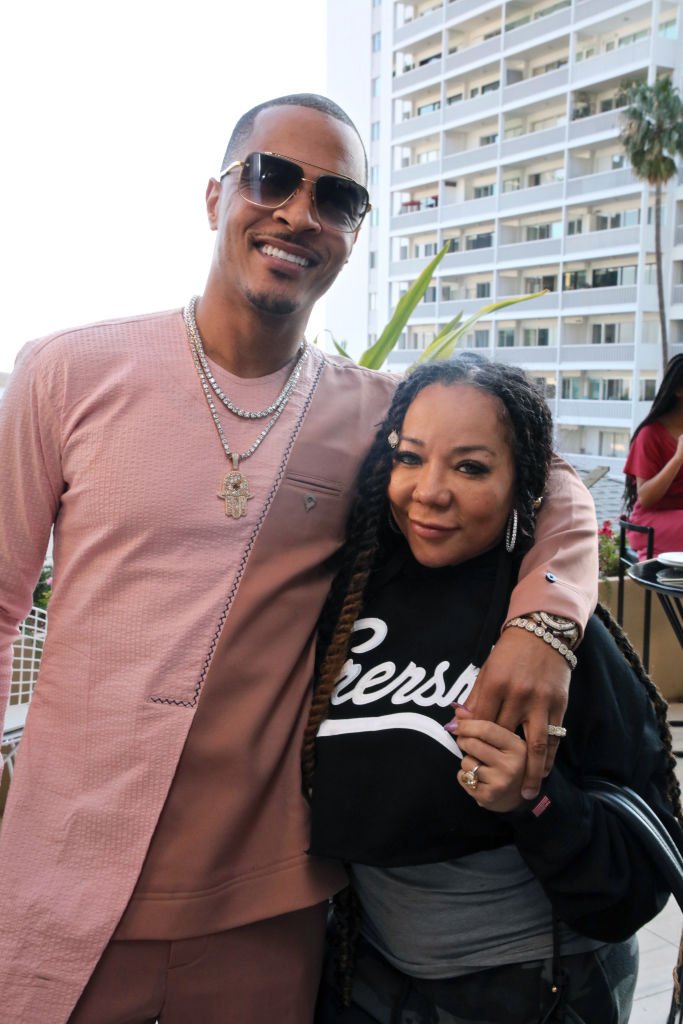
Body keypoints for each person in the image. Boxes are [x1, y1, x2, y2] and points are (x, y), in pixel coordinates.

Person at [0, 95, 597, 1024]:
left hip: (266, 903)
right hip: (61, 882)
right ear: (215, 196)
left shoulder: (374, 415)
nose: (298, 214)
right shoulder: (66, 373)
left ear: (354, 234)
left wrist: (544, 624)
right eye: (272, 178)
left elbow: (549, 475)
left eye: (339, 198)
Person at [305, 357, 681, 1024]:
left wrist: (532, 802)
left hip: (533, 988)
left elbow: (636, 872)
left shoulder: (554, 636)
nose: (429, 491)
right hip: (365, 976)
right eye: (410, 458)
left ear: (521, 486)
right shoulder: (351, 590)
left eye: (471, 468)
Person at [623, 354, 683, 558]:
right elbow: (646, 497)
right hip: (650, 522)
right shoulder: (650, 434)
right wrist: (677, 459)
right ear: (678, 390)